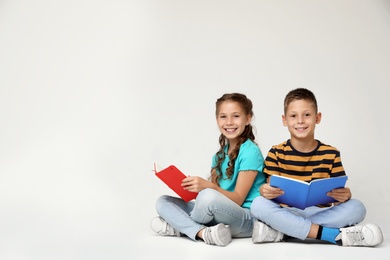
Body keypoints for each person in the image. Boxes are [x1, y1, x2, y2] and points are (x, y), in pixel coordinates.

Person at [250, 88, 384, 247]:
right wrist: (265, 190)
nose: (300, 121)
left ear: (317, 117)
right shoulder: (276, 152)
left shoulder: (331, 153)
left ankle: (284, 231)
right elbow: (272, 188)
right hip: (287, 211)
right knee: (258, 204)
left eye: (307, 115)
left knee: (357, 207)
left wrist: (345, 196)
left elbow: (337, 194)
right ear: (285, 120)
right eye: (293, 116)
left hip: (320, 212)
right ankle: (332, 235)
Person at [150, 93, 266, 246]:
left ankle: (181, 227)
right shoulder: (218, 156)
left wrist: (207, 186)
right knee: (163, 201)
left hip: (246, 218)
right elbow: (212, 198)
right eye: (223, 117)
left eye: (236, 116)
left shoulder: (250, 152)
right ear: (217, 119)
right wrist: (193, 187)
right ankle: (202, 232)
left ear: (248, 118)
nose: (229, 122)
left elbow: (237, 199)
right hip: (219, 212)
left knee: (208, 197)